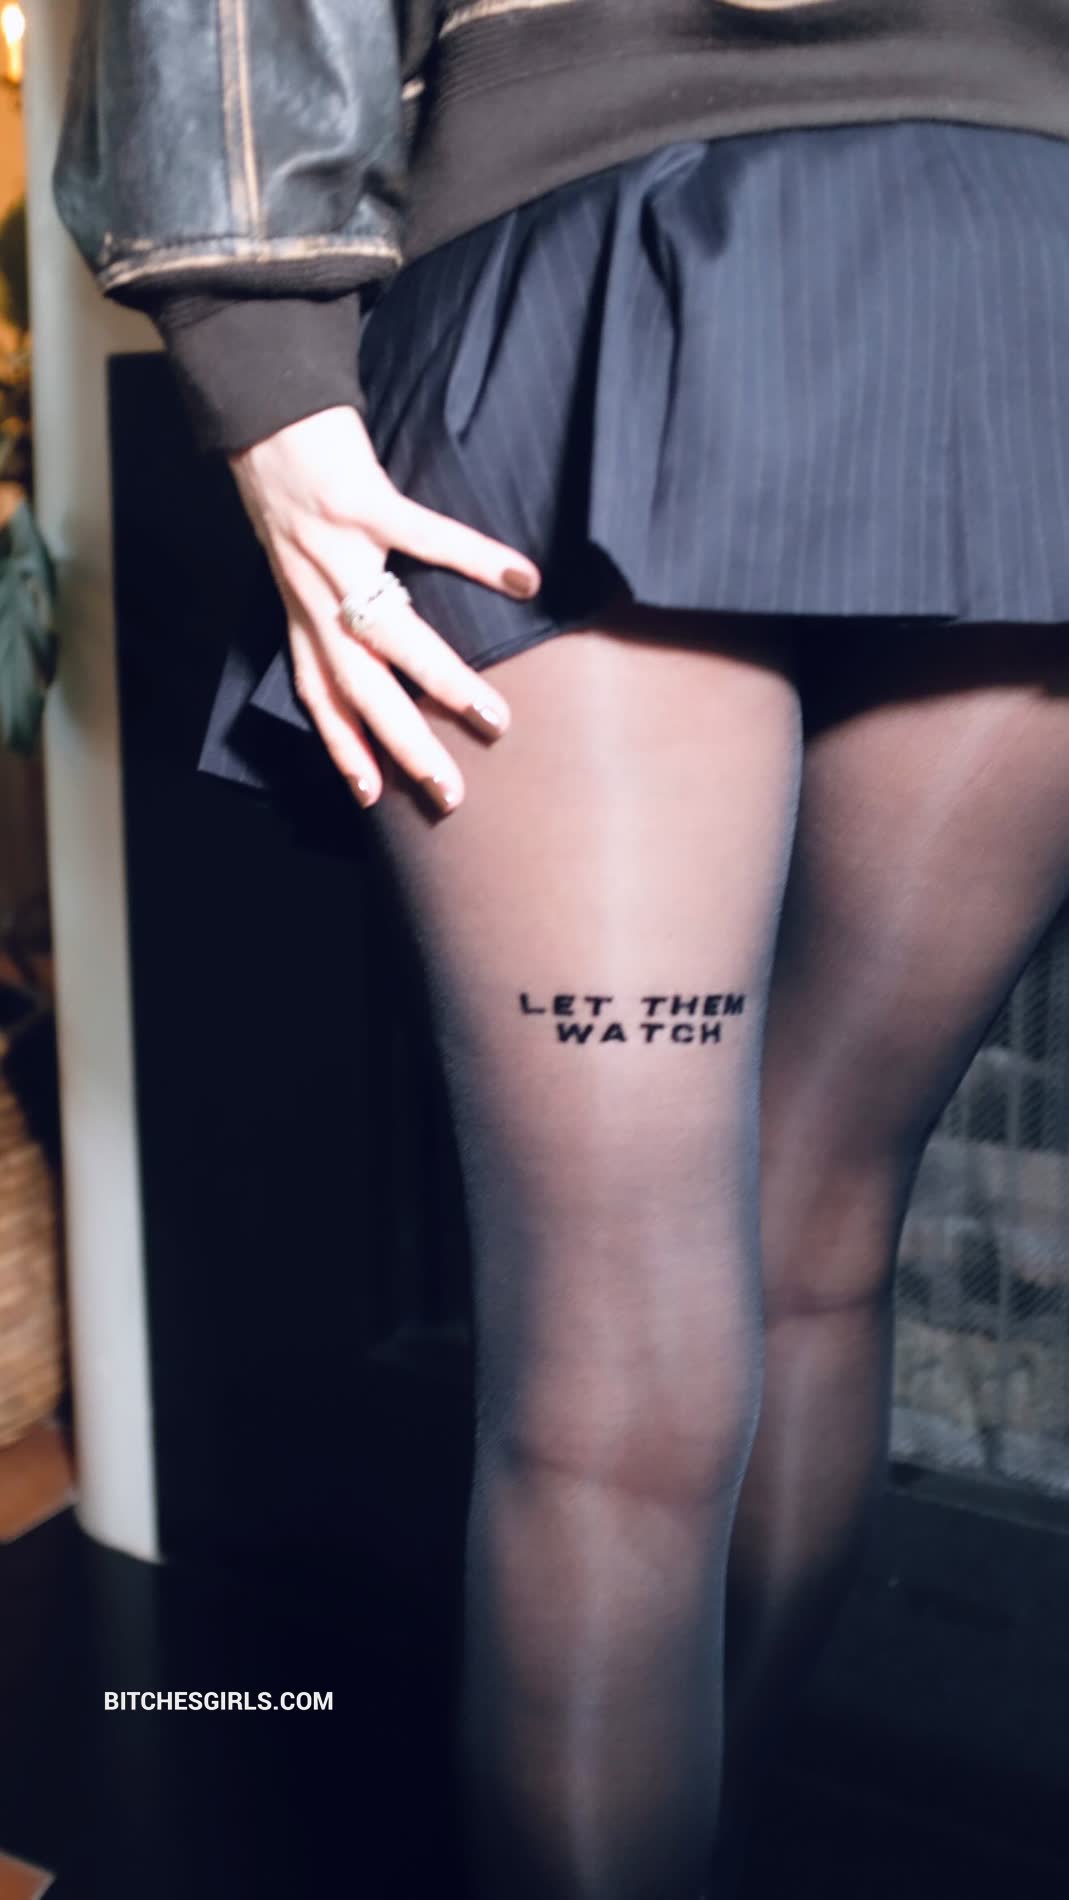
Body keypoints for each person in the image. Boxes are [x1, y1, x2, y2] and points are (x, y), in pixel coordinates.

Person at [51, 3, 1069, 1895]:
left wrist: (265, 369)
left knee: (620, 1330)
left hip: (598, 248)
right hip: (1023, 287)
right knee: (813, 1238)